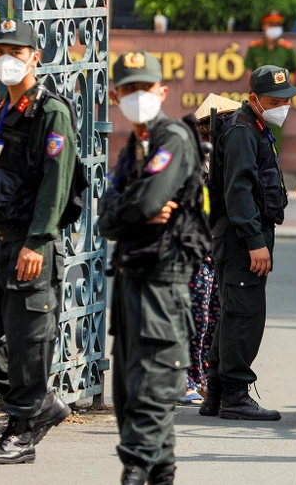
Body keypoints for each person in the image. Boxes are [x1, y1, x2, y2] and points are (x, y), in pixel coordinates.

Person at [0, 19, 76, 465]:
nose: (6, 58)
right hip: (1, 241)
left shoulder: (52, 112)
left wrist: (38, 240)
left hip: (33, 245)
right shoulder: (4, 111)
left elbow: (57, 184)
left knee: (29, 342)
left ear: (35, 57)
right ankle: (41, 404)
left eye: (16, 50)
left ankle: (23, 430)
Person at [99, 51, 209, 485]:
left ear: (162, 91)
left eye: (145, 88)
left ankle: (137, 466)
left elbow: (143, 203)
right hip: (129, 276)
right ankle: (160, 469)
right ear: (115, 95)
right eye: (129, 89)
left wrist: (131, 206)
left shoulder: (174, 140)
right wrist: (134, 208)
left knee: (154, 384)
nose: (137, 96)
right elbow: (106, 217)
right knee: (128, 390)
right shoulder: (133, 148)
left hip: (164, 279)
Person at [202, 65, 296, 421]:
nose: (282, 106)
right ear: (254, 98)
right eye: (274, 101)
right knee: (245, 317)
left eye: (285, 99)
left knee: (232, 315)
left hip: (242, 234)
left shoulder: (256, 126)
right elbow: (238, 190)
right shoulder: (243, 131)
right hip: (242, 237)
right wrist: (255, 240)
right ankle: (235, 396)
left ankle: (216, 393)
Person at [182, 94, 242, 406]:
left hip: (217, 249)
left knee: (215, 317)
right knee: (196, 317)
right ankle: (186, 379)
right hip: (193, 250)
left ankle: (204, 377)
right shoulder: (192, 158)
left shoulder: (228, 155)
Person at [244, 11, 296, 150]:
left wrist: (286, 90)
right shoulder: (254, 48)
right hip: (260, 97)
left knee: (274, 135)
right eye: (271, 24)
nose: (274, 27)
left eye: (277, 24)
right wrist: (253, 92)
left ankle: (273, 165)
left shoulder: (286, 48)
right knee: (254, 130)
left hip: (277, 99)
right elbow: (248, 71)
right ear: (264, 26)